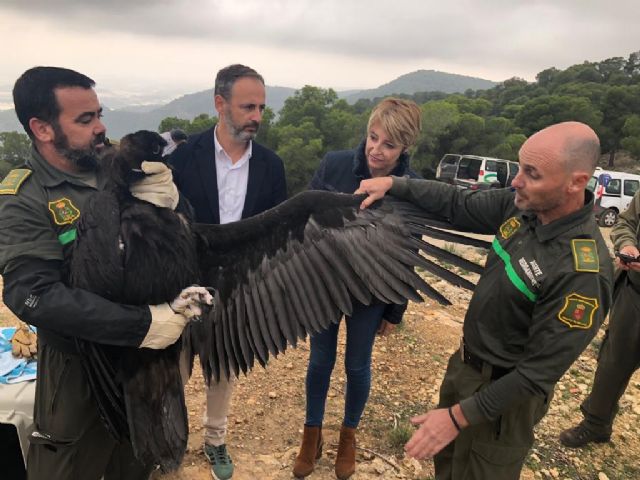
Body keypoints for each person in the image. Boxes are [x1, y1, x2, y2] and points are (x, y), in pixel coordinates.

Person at [355, 121, 614, 480]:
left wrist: (456, 418)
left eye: (532, 173)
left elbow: (537, 374)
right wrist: (394, 183)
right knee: (447, 468)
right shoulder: (525, 207)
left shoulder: (582, 272)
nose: (516, 181)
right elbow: (457, 201)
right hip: (465, 369)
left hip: (503, 402)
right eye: (520, 167)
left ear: (576, 182)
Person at [0, 66, 204, 480]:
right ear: (41, 128)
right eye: (85, 119)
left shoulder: (119, 164)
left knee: (136, 463)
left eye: (99, 114)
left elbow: (184, 241)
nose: (102, 128)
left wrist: (174, 206)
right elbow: (32, 294)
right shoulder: (25, 196)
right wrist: (142, 325)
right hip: (79, 367)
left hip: (148, 363)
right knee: (69, 468)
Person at [292, 98, 422, 480]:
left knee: (357, 364)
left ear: (405, 149)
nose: (376, 150)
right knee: (319, 361)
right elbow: (305, 219)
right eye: (373, 137)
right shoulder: (334, 164)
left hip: (371, 292)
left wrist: (395, 311)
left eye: (389, 145)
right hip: (323, 285)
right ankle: (311, 433)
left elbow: (410, 252)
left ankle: (348, 435)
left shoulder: (411, 188)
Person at [170, 64, 287, 480]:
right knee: (176, 365)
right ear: (220, 104)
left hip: (238, 288)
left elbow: (274, 233)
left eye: (261, 107)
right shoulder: (183, 158)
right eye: (247, 106)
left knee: (223, 367)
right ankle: (171, 439)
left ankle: (215, 440)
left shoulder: (272, 167)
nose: (256, 116)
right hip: (184, 283)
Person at [559, 189, 640, 447]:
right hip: (635, 295)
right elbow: (627, 221)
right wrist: (627, 244)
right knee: (613, 364)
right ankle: (596, 424)